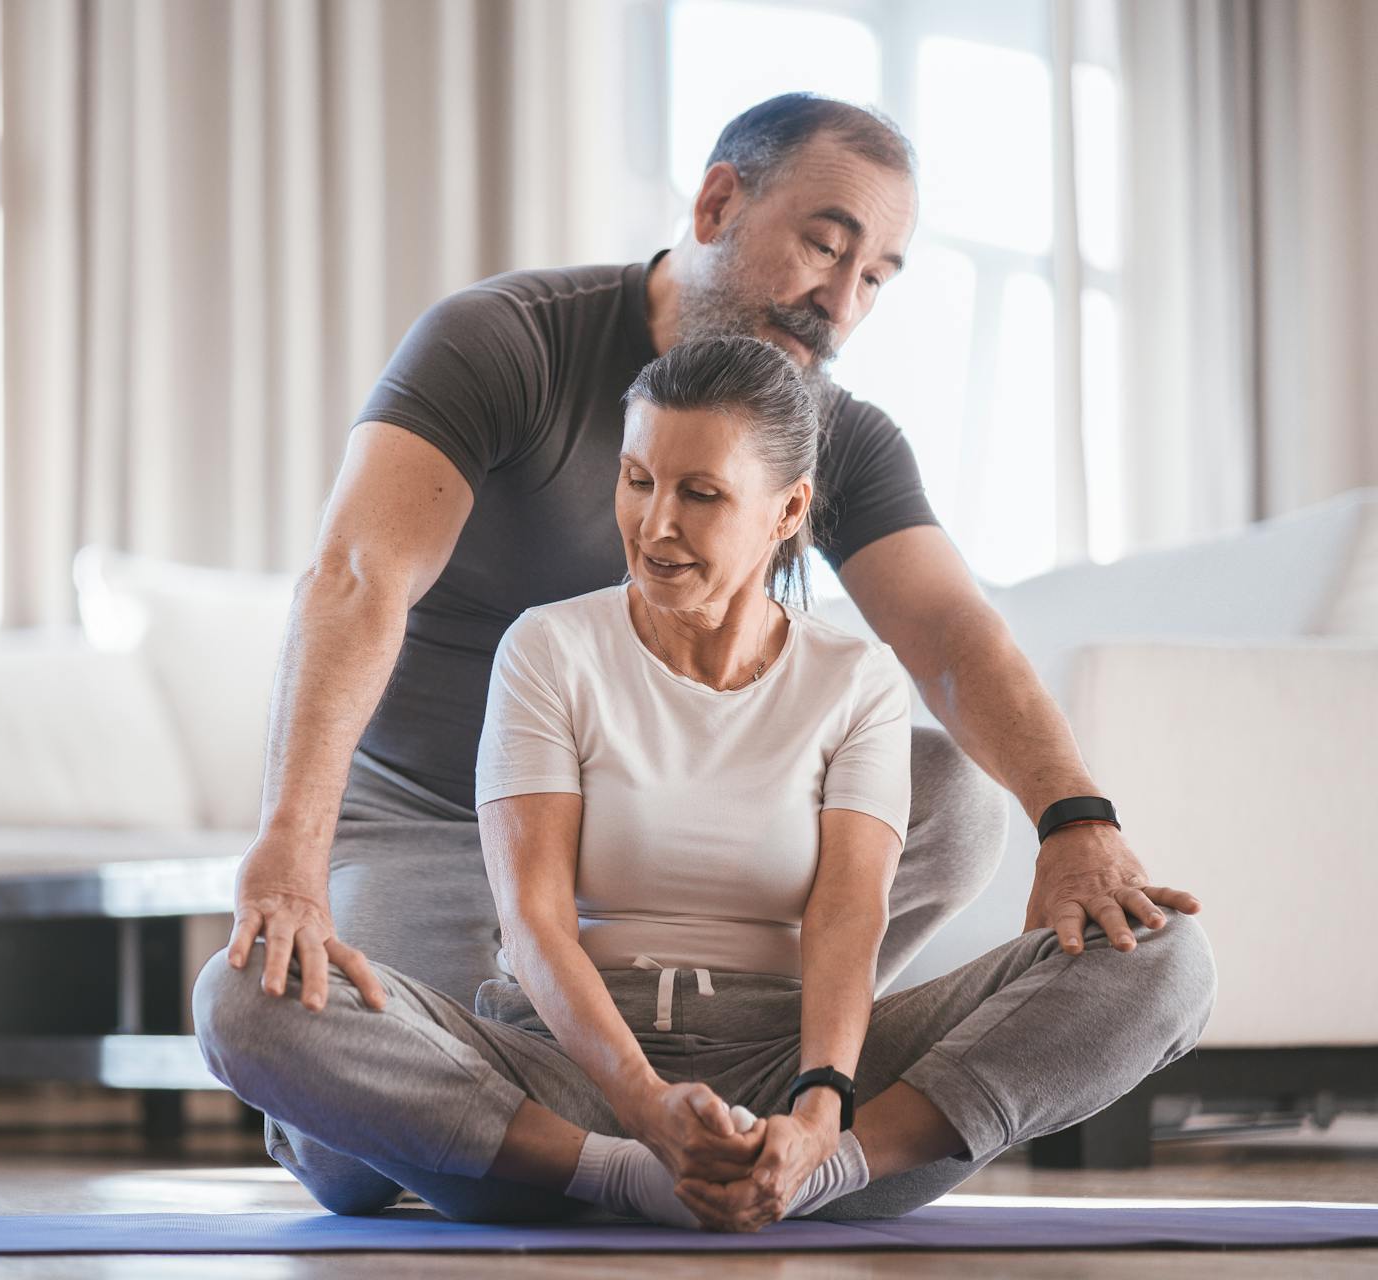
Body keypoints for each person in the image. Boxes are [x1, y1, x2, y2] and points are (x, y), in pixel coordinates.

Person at [209, 92, 1207, 1219]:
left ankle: (778, 1105)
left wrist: (1078, 822)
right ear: (719, 200)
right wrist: (289, 851)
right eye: (825, 245)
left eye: (876, 276)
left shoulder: (834, 438)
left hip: (690, 852)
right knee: (335, 1129)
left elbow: (951, 635)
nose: (841, 299)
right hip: (441, 822)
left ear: (787, 508)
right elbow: (356, 575)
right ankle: (577, 1123)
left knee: (959, 797)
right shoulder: (508, 341)